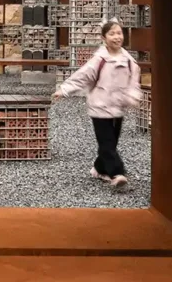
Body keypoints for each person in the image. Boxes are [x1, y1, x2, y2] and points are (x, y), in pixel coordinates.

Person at [53, 19, 142, 189]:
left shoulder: (129, 61)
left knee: (111, 143)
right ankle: (118, 173)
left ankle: (99, 168)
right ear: (104, 38)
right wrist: (64, 90)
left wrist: (133, 97)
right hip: (99, 107)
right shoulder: (99, 60)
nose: (117, 37)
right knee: (107, 143)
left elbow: (133, 84)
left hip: (118, 108)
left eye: (119, 33)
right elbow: (83, 76)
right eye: (112, 34)